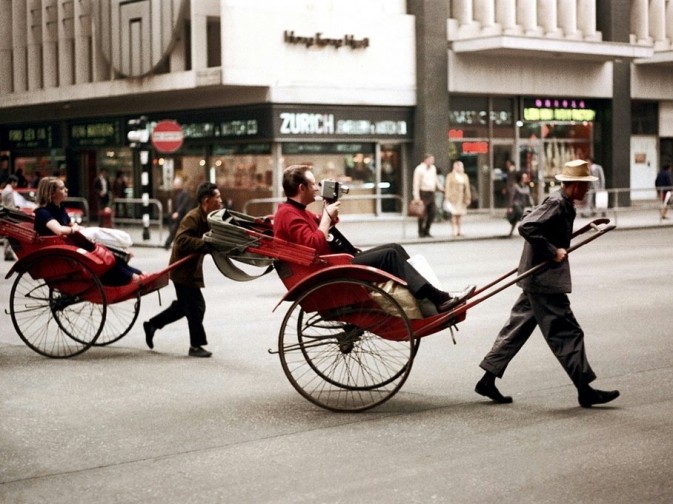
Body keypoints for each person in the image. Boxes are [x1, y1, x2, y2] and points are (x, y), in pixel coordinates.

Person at [475, 159, 620, 408]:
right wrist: (552, 251)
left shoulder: (563, 203)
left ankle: (487, 379)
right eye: (584, 185)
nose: (586, 190)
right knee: (568, 331)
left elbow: (536, 222)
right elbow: (527, 225)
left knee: (516, 329)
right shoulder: (557, 202)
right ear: (573, 185)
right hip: (544, 281)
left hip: (535, 279)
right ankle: (585, 390)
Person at [274, 165, 475, 314]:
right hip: (327, 270)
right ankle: (438, 298)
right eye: (312, 185)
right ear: (301, 188)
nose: (317, 189)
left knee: (394, 248)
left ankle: (429, 298)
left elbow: (321, 226)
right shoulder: (289, 214)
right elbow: (314, 242)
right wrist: (326, 216)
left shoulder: (296, 211)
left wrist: (329, 212)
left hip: (331, 263)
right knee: (389, 255)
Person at [143, 182, 222, 358]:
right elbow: (181, 240)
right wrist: (206, 244)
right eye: (218, 197)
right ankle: (195, 346)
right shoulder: (192, 217)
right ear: (206, 200)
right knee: (196, 307)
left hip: (191, 270)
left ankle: (152, 324)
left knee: (184, 307)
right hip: (182, 270)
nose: (221, 201)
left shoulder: (208, 217)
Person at [33, 177, 143, 285]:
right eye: (62, 188)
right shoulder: (43, 213)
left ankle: (136, 272)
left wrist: (76, 227)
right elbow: (59, 230)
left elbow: (71, 223)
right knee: (103, 259)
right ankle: (132, 277)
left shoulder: (59, 208)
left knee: (109, 254)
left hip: (69, 245)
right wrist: (73, 229)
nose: (66, 190)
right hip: (59, 253)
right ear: (52, 194)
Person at [412, 154, 442, 238]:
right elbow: (416, 183)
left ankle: (427, 230)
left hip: (431, 192)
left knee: (432, 212)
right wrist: (416, 197)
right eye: (430, 160)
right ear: (425, 160)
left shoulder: (433, 168)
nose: (432, 162)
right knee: (421, 213)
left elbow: (435, 179)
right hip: (423, 192)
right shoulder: (419, 169)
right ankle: (420, 231)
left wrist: (440, 188)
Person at [164, 176, 193, 250]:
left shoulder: (184, 194)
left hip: (182, 216)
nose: (174, 185)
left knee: (175, 230)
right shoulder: (176, 193)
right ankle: (172, 244)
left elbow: (183, 205)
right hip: (178, 216)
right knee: (174, 230)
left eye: (175, 184)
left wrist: (178, 212)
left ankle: (168, 244)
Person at [444, 160, 472, 237]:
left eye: (460, 166)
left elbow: (467, 188)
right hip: (453, 197)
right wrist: (447, 197)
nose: (459, 167)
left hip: (461, 197)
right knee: (454, 214)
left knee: (460, 214)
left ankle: (460, 229)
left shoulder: (465, 176)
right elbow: (447, 187)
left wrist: (468, 197)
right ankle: (454, 229)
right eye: (458, 166)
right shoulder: (450, 176)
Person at [506, 171, 533, 237]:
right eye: (524, 177)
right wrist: (510, 207)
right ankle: (526, 231)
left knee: (515, 220)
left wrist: (532, 204)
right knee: (523, 216)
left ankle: (511, 233)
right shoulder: (516, 186)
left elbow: (529, 197)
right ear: (520, 178)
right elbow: (512, 197)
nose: (525, 178)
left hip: (522, 205)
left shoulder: (526, 187)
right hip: (516, 205)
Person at [1, 175, 19, 260]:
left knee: (7, 235)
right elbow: (11, 206)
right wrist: (16, 210)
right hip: (9, 215)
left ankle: (7, 253)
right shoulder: (9, 191)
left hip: (5, 214)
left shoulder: (5, 190)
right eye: (16, 182)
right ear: (12, 182)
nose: (16, 184)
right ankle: (8, 253)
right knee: (10, 235)